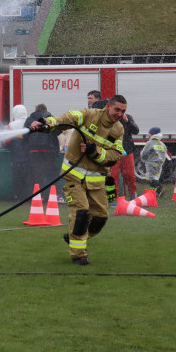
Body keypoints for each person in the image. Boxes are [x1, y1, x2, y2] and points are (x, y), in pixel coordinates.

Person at [31, 94, 126, 266]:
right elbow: (68, 118)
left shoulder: (118, 130)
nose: (119, 114)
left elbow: (115, 156)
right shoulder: (89, 115)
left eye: (123, 111)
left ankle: (74, 235)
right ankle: (78, 254)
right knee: (81, 213)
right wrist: (48, 123)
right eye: (117, 109)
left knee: (100, 218)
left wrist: (94, 151)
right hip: (74, 176)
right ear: (108, 107)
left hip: (97, 181)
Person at [25, 103, 63, 201]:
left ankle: (39, 195)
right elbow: (59, 131)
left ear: (35, 109)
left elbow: (25, 134)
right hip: (49, 149)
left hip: (34, 150)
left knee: (37, 174)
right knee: (52, 173)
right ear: (46, 109)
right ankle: (57, 195)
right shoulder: (51, 118)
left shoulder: (30, 119)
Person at [108, 110, 140, 200]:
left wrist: (128, 121)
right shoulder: (108, 119)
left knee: (129, 174)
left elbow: (136, 131)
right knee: (113, 175)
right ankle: (115, 197)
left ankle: (133, 194)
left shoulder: (128, 117)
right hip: (113, 152)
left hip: (127, 151)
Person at [136, 126, 171, 195]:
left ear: (152, 134)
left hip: (151, 163)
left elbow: (144, 153)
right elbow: (164, 155)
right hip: (159, 164)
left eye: (149, 133)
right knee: (155, 177)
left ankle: (159, 189)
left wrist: (144, 159)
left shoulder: (150, 143)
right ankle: (156, 192)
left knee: (150, 178)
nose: (148, 134)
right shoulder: (162, 144)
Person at [6, 104, 30, 201]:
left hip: (16, 155)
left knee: (17, 176)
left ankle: (18, 195)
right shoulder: (30, 123)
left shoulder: (11, 125)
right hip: (29, 155)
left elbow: (7, 141)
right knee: (28, 176)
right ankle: (29, 195)